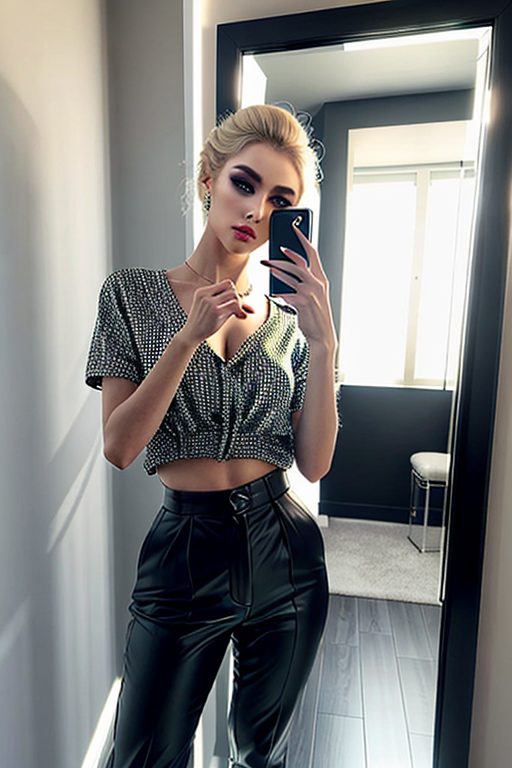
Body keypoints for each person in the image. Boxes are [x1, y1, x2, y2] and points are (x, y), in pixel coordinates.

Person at [86, 104, 339, 768]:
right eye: (244, 183)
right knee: (143, 755)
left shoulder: (288, 322)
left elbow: (314, 463)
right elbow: (119, 446)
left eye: (279, 200)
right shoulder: (131, 295)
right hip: (184, 553)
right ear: (208, 179)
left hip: (286, 551)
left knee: (261, 755)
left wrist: (324, 345)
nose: (256, 209)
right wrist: (186, 338)